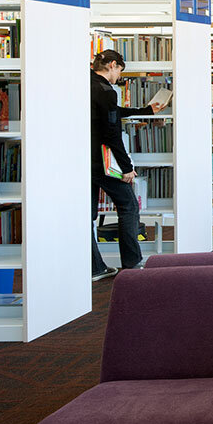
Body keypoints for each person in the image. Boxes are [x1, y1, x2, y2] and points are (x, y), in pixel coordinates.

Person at [90, 49, 166, 280]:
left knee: (87, 214)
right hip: (101, 161)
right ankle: (132, 264)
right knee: (129, 206)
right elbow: (112, 132)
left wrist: (145, 111)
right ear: (112, 65)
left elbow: (111, 113)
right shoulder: (105, 90)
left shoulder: (83, 83)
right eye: (120, 71)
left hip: (80, 159)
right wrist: (126, 167)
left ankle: (95, 267)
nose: (119, 77)